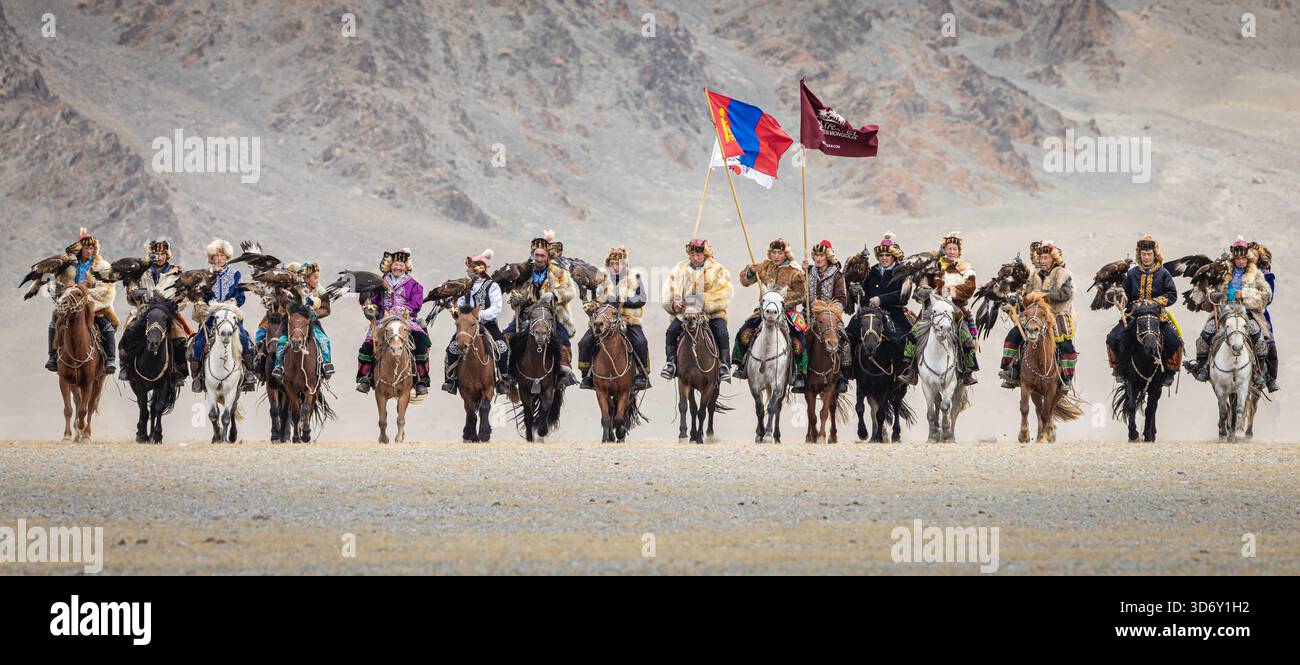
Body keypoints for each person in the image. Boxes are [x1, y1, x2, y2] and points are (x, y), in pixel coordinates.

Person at [1188, 238, 1274, 390]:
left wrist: (1246, 294)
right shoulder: (1223, 272)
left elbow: (1266, 295)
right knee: (1204, 335)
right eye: (1237, 258)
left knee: (1258, 338)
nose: (1240, 261)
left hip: (1247, 313)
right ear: (1234, 258)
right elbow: (1211, 291)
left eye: (1243, 258)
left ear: (1247, 258)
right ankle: (1202, 367)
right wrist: (1213, 296)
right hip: (1224, 313)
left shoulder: (1257, 274)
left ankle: (1260, 374)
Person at [901, 232, 979, 386]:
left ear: (959, 251)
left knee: (967, 339)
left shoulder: (966, 270)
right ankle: (910, 370)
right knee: (913, 334)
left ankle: (968, 372)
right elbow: (923, 285)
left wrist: (951, 290)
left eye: (954, 249)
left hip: (956, 310)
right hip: (932, 308)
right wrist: (922, 291)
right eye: (949, 248)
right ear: (944, 249)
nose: (951, 251)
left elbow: (970, 288)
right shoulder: (933, 267)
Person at [1105, 235, 1183, 388]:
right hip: (1134, 314)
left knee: (1176, 341)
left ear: (1155, 255)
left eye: (1149, 254)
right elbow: (1125, 294)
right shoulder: (1132, 273)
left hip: (1157, 315)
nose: (1146, 257)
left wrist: (1155, 302)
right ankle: (1119, 369)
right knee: (1112, 338)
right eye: (1143, 254)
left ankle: (1169, 372)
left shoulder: (1163, 273)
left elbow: (1172, 295)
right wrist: (1118, 295)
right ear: (1139, 255)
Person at [999, 241, 1079, 389]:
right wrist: (1014, 301)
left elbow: (1066, 294)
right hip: (1034, 315)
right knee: (1014, 335)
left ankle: (1066, 379)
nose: (1041, 261)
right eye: (1040, 257)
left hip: (1055, 315)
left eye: (1045, 257)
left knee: (1066, 346)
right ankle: (1010, 370)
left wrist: (1046, 294)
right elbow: (1026, 295)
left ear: (1053, 259)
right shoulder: (1033, 276)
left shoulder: (1064, 275)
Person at [504, 235, 578, 387]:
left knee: (562, 338)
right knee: (508, 336)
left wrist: (555, 294)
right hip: (528, 313)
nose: (538, 258)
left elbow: (571, 291)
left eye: (542, 255)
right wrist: (516, 300)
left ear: (547, 257)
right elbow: (517, 294)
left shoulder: (559, 272)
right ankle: (509, 371)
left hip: (552, 313)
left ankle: (564, 372)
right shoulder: (525, 272)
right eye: (536, 255)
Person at [732, 238, 807, 388]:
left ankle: (800, 373)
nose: (776, 256)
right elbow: (745, 282)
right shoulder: (764, 266)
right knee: (744, 331)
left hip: (786, 311)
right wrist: (750, 271)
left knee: (798, 339)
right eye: (773, 252)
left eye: (780, 253)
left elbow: (801, 294)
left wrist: (779, 302)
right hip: (764, 310)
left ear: (786, 254)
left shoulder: (795, 272)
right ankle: (740, 363)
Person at [356, 249, 431, 395]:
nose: (398, 267)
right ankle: (365, 378)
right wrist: (371, 308)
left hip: (406, 320)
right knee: (367, 345)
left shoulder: (414, 285)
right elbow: (373, 301)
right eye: (395, 264)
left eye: (401, 265)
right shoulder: (379, 283)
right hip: (383, 321)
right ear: (390, 265)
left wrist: (402, 308)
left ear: (406, 267)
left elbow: (417, 303)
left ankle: (421, 380)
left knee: (420, 345)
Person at [189, 238, 258, 392]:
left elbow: (241, 296)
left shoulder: (235, 274)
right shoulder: (204, 275)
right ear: (211, 258)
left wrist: (233, 301)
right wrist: (202, 303)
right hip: (211, 315)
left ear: (227, 257)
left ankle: (248, 373)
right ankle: (197, 378)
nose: (219, 259)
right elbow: (200, 295)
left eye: (222, 256)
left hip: (230, 312)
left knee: (244, 338)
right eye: (216, 256)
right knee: (199, 342)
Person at [46, 228, 118, 374]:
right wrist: (56, 291)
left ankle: (110, 359)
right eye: (86, 247)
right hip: (70, 302)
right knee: (54, 321)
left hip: (93, 304)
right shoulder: (69, 265)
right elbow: (57, 282)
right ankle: (53, 357)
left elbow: (106, 289)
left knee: (105, 325)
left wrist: (84, 293)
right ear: (80, 248)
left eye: (91, 248)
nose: (88, 250)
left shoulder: (102, 266)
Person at [661, 238, 734, 382]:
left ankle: (724, 365)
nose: (695, 258)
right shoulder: (679, 269)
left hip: (711, 313)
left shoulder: (718, 270)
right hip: (685, 313)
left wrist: (702, 301)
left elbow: (724, 291)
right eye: (692, 255)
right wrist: (675, 301)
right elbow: (670, 287)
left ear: (705, 255)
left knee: (721, 332)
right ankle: (670, 363)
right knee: (671, 331)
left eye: (698, 255)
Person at [119, 239, 188, 387]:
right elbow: (130, 296)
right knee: (129, 333)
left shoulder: (176, 273)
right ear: (151, 254)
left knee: (180, 338)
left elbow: (184, 298)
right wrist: (135, 294)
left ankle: (178, 371)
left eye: (163, 253)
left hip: (167, 312)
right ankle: (126, 366)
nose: (160, 256)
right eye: (157, 253)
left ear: (167, 255)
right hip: (144, 311)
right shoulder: (141, 272)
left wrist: (176, 304)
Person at [579, 247, 651, 391]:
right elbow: (594, 299)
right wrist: (590, 306)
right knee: (585, 342)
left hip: (628, 319)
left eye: (619, 264)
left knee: (640, 342)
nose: (615, 267)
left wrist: (625, 302)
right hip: (605, 319)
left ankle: (642, 375)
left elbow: (641, 299)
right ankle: (586, 375)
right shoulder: (600, 278)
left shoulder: (634, 277)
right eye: (612, 263)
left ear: (625, 264)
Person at [442, 249, 511, 395]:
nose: (477, 269)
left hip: (487, 323)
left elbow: (496, 307)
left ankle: (502, 378)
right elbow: (461, 305)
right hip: (466, 325)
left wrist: (478, 316)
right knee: (452, 347)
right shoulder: (464, 286)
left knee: (502, 346)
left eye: (481, 266)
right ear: (470, 269)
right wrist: (457, 312)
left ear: (485, 269)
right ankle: (450, 380)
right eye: (474, 266)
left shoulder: (492, 285)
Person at [270, 262, 334, 383]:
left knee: (324, 340)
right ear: (306, 278)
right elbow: (285, 303)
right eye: (314, 278)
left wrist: (316, 313)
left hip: (310, 324)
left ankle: (326, 364)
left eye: (318, 277)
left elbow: (326, 309)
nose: (317, 280)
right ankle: (279, 366)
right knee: (282, 341)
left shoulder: (320, 292)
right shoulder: (294, 290)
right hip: (293, 324)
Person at [847, 232, 912, 349]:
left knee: (906, 337)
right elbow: (864, 298)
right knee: (849, 333)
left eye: (888, 255)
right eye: (881, 255)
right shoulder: (871, 271)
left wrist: (881, 299)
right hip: (870, 312)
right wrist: (858, 293)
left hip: (894, 313)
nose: (884, 258)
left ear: (893, 256)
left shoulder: (903, 272)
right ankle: (847, 364)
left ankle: (905, 366)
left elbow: (903, 296)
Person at [803, 240, 851, 394]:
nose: (818, 258)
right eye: (816, 255)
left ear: (827, 257)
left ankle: (842, 375)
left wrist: (830, 312)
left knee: (844, 341)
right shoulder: (808, 272)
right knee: (797, 337)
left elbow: (842, 299)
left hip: (830, 316)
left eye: (821, 255)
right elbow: (801, 294)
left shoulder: (837, 275)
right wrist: (801, 273)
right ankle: (798, 372)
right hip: (809, 315)